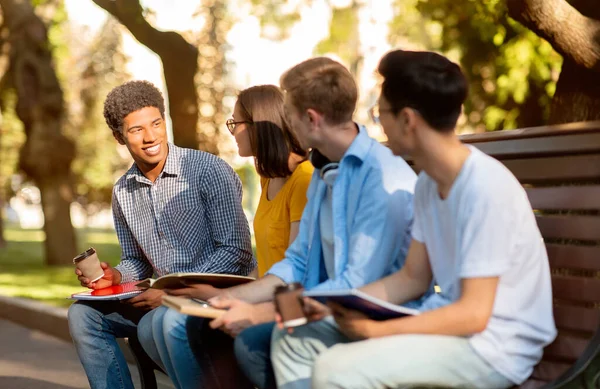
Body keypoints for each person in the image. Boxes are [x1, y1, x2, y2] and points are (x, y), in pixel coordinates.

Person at [270, 49, 558, 389]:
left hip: (494, 348)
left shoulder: (484, 188)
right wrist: (331, 306)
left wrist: (376, 331)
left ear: (407, 119)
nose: (377, 124)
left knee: (336, 369)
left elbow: (474, 314)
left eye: (381, 114)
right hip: (450, 328)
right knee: (293, 341)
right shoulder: (427, 184)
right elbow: (411, 278)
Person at [168, 57, 421, 389]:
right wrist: (238, 298)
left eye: (288, 113)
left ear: (311, 119)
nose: (283, 123)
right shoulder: (324, 170)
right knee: (206, 325)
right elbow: (299, 261)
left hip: (367, 314)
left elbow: (354, 284)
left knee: (256, 340)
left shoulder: (380, 179)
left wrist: (262, 313)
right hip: (325, 305)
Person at [67, 80, 255, 389]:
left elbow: (236, 252)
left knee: (157, 324)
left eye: (156, 124)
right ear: (119, 137)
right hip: (160, 297)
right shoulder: (123, 191)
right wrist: (115, 276)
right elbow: (137, 261)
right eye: (136, 130)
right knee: (83, 315)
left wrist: (173, 291)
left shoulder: (209, 171)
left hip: (215, 295)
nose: (151, 136)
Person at [140, 84, 314, 388]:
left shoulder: (304, 180)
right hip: (263, 290)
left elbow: (296, 269)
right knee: (150, 328)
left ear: (258, 125)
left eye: (236, 123)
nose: (232, 131)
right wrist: (211, 292)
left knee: (174, 325)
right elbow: (269, 262)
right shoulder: (268, 178)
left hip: (287, 302)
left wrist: (222, 297)